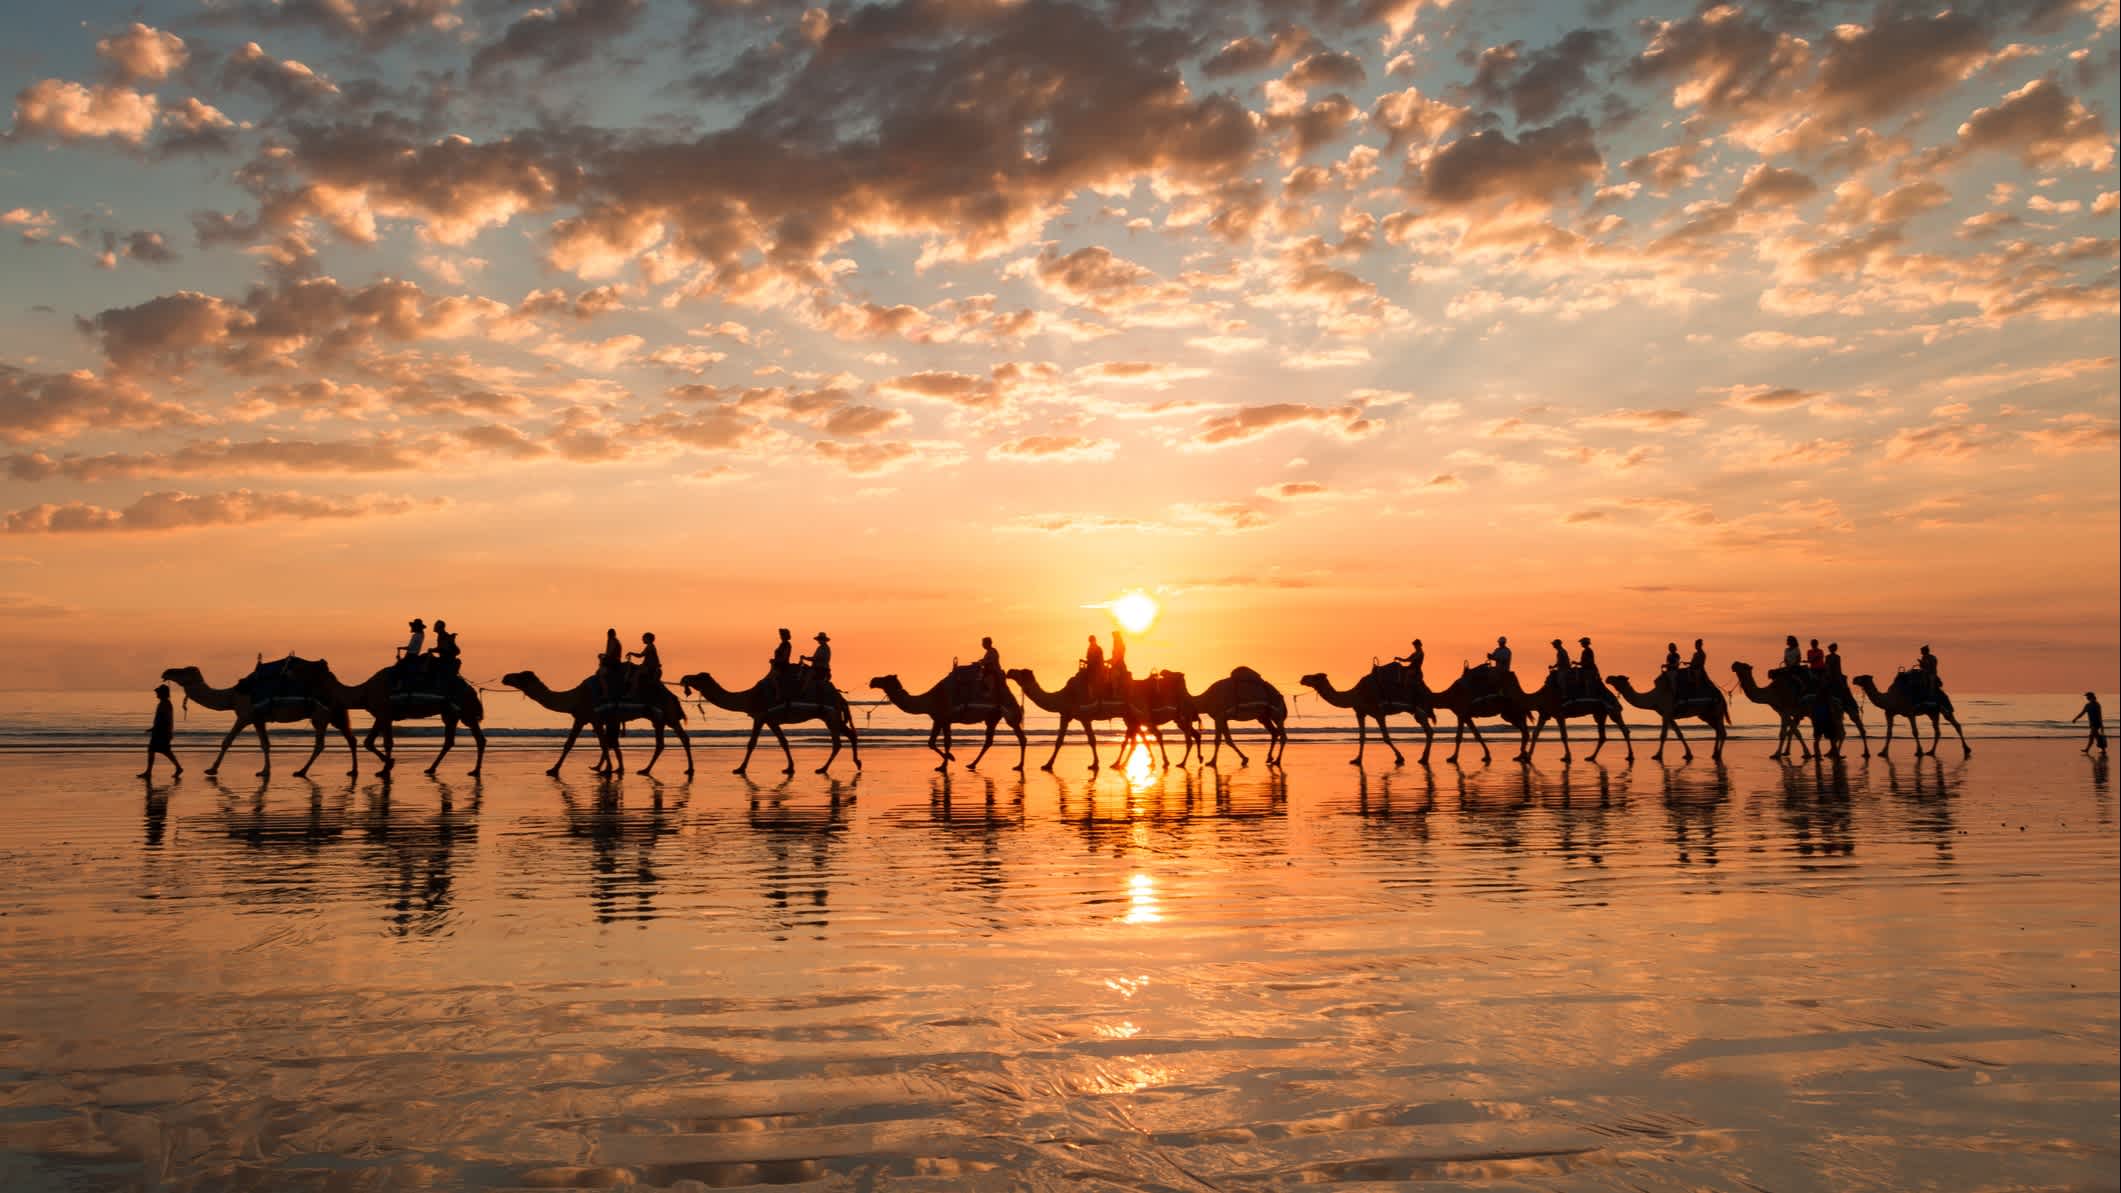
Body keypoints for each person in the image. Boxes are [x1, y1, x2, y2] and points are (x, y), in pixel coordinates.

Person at [139, 683, 181, 779]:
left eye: (158, 692)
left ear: (162, 694)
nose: (156, 694)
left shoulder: (165, 704)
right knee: (165, 751)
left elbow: (164, 719)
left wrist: (155, 728)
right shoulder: (165, 703)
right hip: (162, 732)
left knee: (153, 750)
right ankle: (178, 768)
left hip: (161, 732)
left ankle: (149, 772)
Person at [626, 631, 661, 700]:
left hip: (650, 668)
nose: (643, 639)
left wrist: (631, 653)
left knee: (635, 675)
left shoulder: (650, 647)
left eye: (644, 638)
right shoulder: (650, 646)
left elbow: (640, 655)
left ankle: (632, 693)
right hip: (649, 667)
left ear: (648, 639)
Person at [799, 632, 833, 700]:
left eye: (821, 639)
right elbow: (815, 658)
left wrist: (806, 658)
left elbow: (818, 658)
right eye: (819, 639)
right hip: (818, 668)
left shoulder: (825, 648)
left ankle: (803, 693)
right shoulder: (820, 648)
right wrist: (808, 658)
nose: (819, 641)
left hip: (822, 669)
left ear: (824, 640)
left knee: (809, 676)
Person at [979, 636, 1003, 704]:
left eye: (983, 643)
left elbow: (991, 661)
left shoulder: (993, 651)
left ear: (988, 643)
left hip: (993, 673)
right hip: (989, 672)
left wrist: (982, 662)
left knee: (989, 683)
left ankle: (990, 696)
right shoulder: (989, 652)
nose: (982, 645)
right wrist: (981, 661)